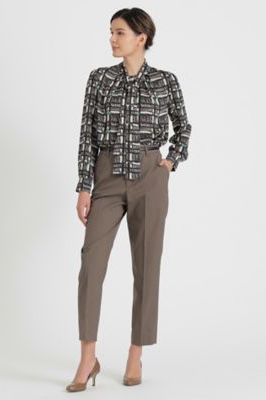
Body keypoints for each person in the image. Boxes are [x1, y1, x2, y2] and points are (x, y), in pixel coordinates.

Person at [66, 7, 192, 392]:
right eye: (111, 32)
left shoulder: (165, 81)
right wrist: (84, 185)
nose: (112, 39)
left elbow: (183, 127)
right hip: (106, 177)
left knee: (146, 266)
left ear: (141, 38)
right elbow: (87, 133)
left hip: (150, 177)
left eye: (119, 32)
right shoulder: (100, 79)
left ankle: (136, 352)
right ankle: (88, 357)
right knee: (91, 266)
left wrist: (170, 162)